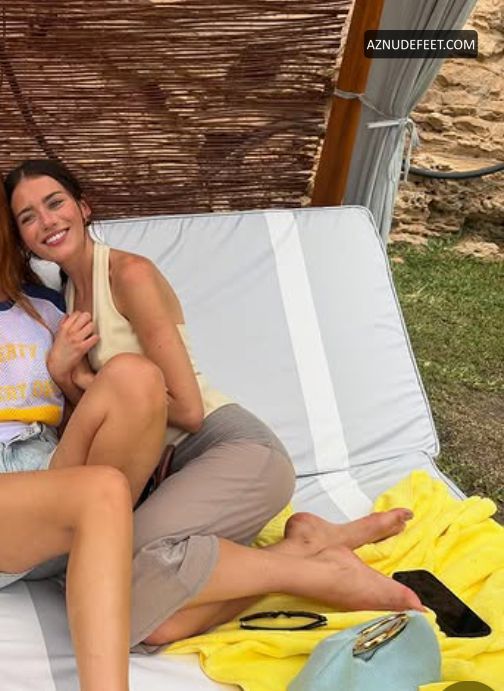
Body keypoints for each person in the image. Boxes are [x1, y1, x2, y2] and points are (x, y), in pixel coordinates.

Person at [4, 160, 423, 652]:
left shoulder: (130, 274)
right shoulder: (68, 295)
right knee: (145, 623)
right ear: (21, 236)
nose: (47, 221)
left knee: (107, 574)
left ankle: (321, 575)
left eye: (55, 203)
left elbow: (186, 410)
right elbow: (105, 412)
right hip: (173, 468)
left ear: (83, 207)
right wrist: (67, 376)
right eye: (28, 216)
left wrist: (79, 377)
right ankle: (302, 549)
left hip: (229, 449)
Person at [0, 178, 165, 690]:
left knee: (137, 377)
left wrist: (64, 370)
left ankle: (305, 560)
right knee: (102, 490)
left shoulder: (47, 305)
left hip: (48, 476)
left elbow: (79, 418)